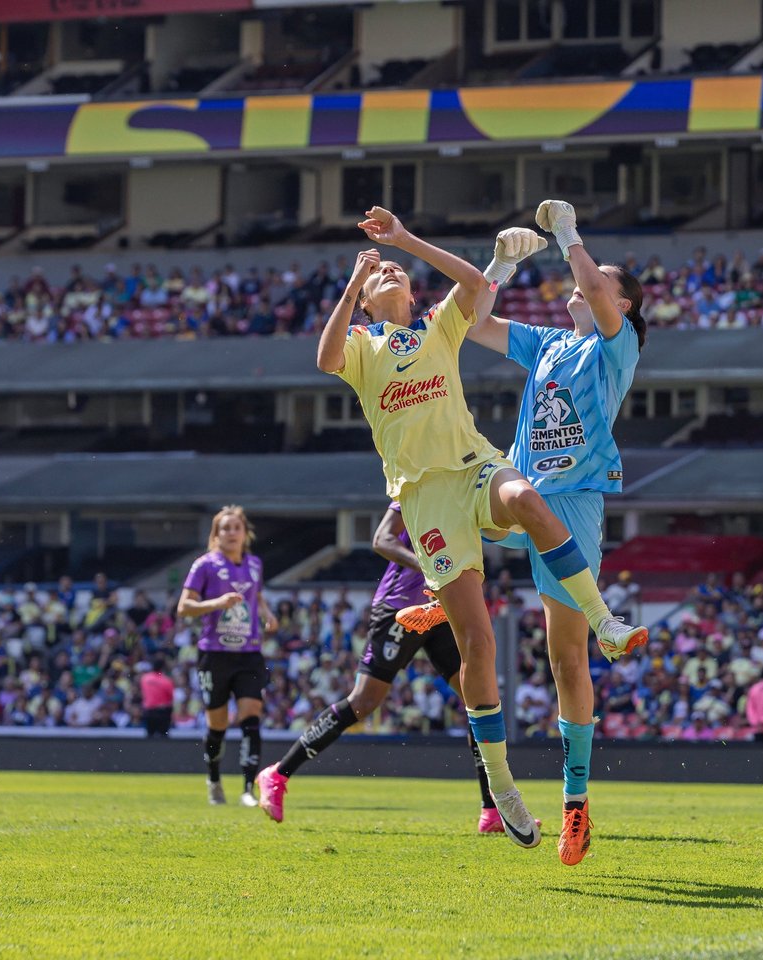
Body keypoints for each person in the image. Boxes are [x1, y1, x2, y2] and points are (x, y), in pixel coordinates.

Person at [311, 206, 646, 851]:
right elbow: (478, 310)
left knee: (566, 657)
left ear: (623, 303)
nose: (582, 288)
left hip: (550, 498)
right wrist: (503, 260)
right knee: (479, 634)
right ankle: (501, 779)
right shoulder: (537, 343)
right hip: (453, 496)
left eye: (599, 284)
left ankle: (577, 788)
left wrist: (558, 239)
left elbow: (476, 302)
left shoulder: (614, 343)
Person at [258, 502, 500, 832]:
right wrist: (428, 569)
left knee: (478, 698)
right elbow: (382, 540)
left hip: (443, 607)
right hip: (399, 607)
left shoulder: (470, 488)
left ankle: (492, 810)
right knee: (363, 703)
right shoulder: (415, 487)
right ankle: (277, 775)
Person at [177, 505, 278, 807]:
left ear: (245, 533)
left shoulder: (255, 564)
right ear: (216, 534)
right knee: (217, 725)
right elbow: (184, 607)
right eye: (225, 528)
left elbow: (255, 594)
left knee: (251, 715)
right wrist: (217, 603)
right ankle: (214, 779)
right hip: (214, 655)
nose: (231, 533)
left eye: (236, 527)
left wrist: (267, 613)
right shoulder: (204, 565)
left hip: (248, 653)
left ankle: (248, 789)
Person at [139, 654, 175, 738]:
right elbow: (170, 698)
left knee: (149, 737)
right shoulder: (167, 681)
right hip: (162, 713)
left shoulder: (145, 678)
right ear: (162, 667)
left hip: (148, 712)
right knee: (163, 738)